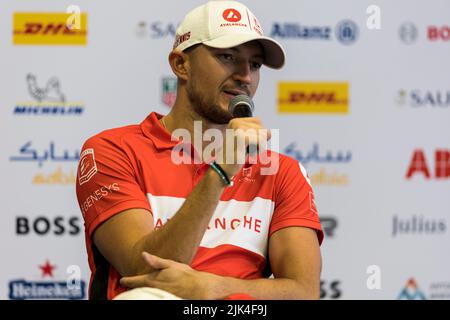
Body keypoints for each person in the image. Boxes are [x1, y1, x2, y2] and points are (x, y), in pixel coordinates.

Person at [76, 0, 323, 300]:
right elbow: (143, 271)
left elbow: (303, 292)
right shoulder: (113, 150)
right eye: (227, 56)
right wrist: (220, 171)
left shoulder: (282, 172)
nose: (245, 76)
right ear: (181, 65)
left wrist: (213, 288)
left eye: (255, 64)